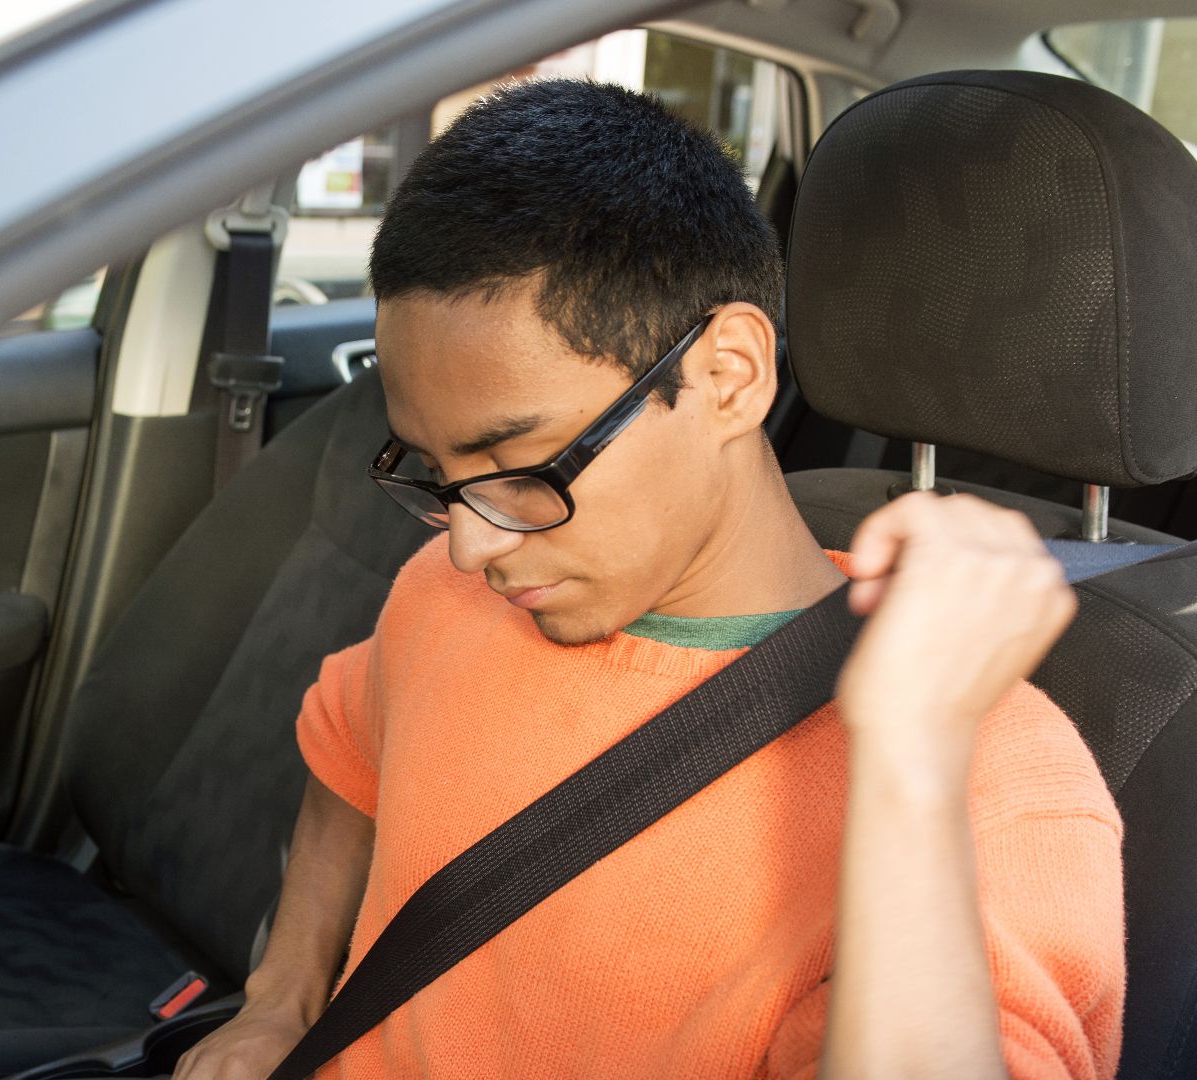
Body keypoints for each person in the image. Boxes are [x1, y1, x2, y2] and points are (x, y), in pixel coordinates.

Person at [174, 80, 1123, 1078]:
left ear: (728, 376)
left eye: (523, 469)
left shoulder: (994, 783)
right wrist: (279, 1001)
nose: (468, 546)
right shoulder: (440, 595)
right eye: (433, 474)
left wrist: (912, 764)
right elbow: (352, 766)